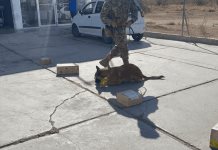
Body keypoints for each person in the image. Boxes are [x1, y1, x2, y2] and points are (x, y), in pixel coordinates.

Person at [99, 0, 138, 67]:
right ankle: (126, 64)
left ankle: (105, 61)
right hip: (113, 28)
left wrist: (131, 21)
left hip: (122, 27)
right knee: (122, 45)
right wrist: (111, 22)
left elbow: (135, 10)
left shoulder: (129, 1)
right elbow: (102, 16)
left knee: (122, 45)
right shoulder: (109, 2)